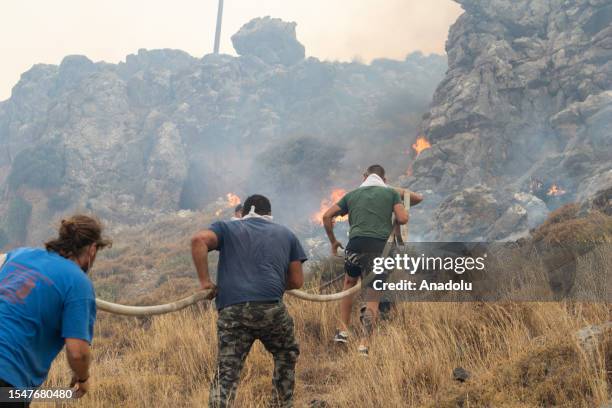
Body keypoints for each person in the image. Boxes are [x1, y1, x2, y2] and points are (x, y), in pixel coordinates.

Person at [191, 194, 307, 408]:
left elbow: (198, 240)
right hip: (270, 309)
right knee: (285, 353)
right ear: (269, 214)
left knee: (227, 371)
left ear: (243, 213)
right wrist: (272, 283)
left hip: (232, 311)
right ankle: (281, 404)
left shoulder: (226, 228)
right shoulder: (286, 234)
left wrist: (205, 282)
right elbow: (297, 281)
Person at [0, 215, 111, 407]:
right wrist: (82, 379)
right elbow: (77, 353)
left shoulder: (19, 255)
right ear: (92, 250)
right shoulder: (78, 282)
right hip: (7, 381)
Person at [322, 164, 423, 355]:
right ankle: (364, 344)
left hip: (355, 246)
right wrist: (391, 191)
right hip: (380, 249)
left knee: (349, 283)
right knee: (373, 296)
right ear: (384, 180)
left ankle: (343, 330)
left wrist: (333, 241)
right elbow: (404, 216)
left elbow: (327, 215)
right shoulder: (391, 193)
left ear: (364, 177)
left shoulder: (351, 195)